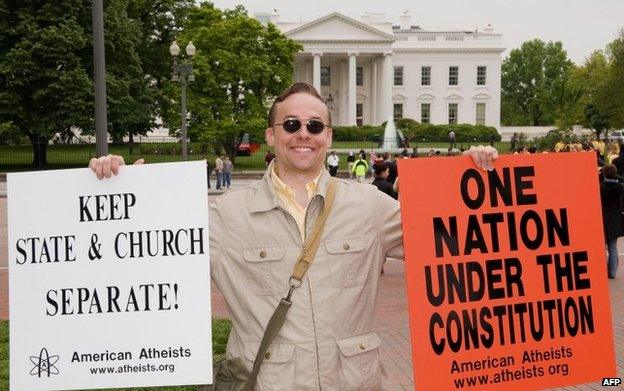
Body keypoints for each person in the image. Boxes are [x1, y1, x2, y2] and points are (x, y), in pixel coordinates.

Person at [88, 82, 497, 389]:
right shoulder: (226, 216)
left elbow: (454, 241)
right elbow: (143, 252)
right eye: (291, 124)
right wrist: (118, 186)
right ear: (271, 135)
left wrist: (463, 181)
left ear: (328, 137)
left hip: (354, 383)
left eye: (315, 125)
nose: (304, 133)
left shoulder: (370, 206)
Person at [600, 164, 624, 279]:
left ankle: (601, 270)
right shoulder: (620, 188)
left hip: (602, 218)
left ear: (604, 173)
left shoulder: (600, 187)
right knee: (613, 247)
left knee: (601, 247)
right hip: (614, 219)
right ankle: (612, 272)